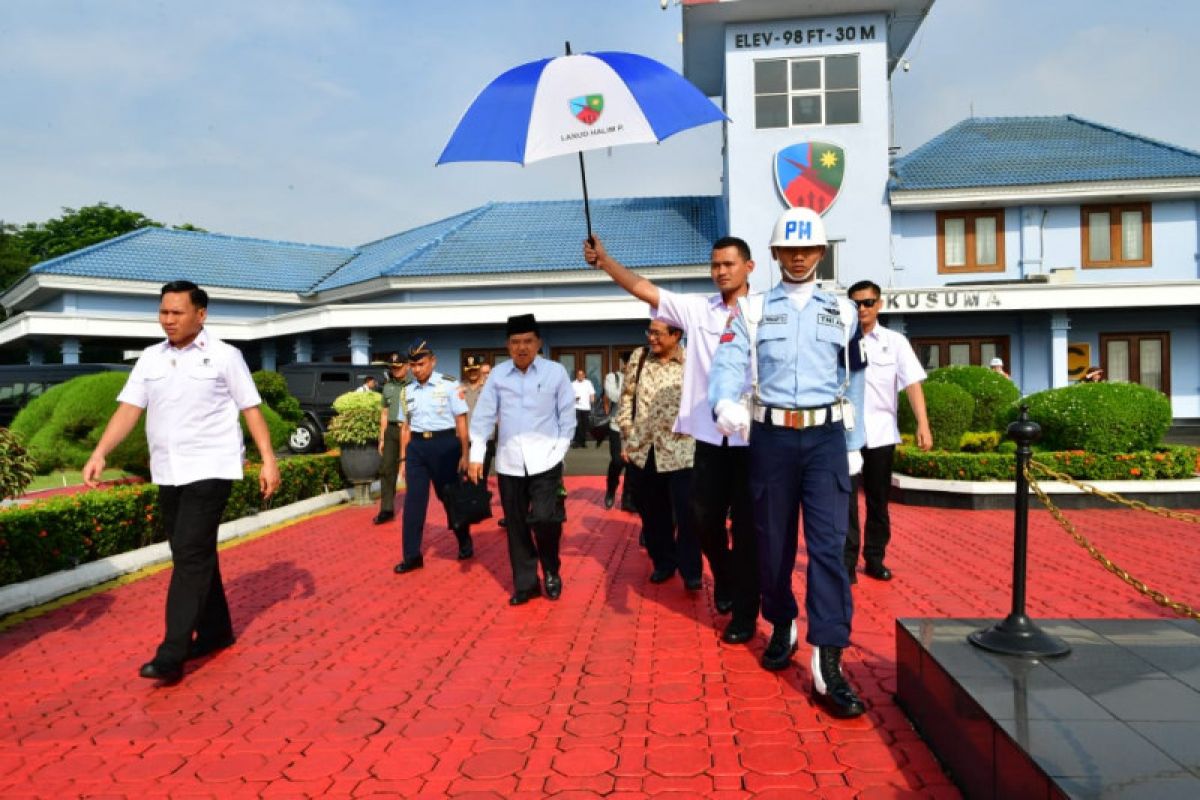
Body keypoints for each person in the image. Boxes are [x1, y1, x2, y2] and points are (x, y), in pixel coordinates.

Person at [708, 206, 868, 718]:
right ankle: (781, 621)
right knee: (772, 547)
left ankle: (829, 659)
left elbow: (855, 380)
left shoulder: (843, 312)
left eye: (808, 250)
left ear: (821, 253)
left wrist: (855, 441)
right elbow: (728, 364)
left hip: (825, 441)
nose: (798, 258)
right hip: (772, 439)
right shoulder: (750, 311)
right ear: (775, 254)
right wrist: (724, 403)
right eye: (788, 250)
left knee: (828, 548)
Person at [82, 280, 281, 684]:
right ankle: (216, 631)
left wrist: (268, 460)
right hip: (169, 471)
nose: (167, 320)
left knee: (190, 552)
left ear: (200, 315)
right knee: (193, 551)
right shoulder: (150, 360)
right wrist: (100, 451)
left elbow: (251, 409)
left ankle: (172, 653)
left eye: (176, 313)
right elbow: (128, 409)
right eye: (163, 312)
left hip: (211, 467)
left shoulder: (225, 356)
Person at [585, 234, 759, 646]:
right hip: (708, 440)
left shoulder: (765, 313)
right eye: (715, 265)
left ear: (749, 267)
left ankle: (744, 613)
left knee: (751, 531)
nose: (720, 271)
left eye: (729, 264)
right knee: (704, 522)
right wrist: (606, 261)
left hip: (755, 440)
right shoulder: (698, 310)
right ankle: (727, 574)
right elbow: (642, 288)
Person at [467, 314, 575, 605]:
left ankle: (551, 568)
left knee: (544, 517)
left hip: (546, 459)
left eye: (528, 341)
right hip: (509, 461)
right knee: (516, 525)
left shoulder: (555, 373)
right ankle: (526, 584)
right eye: (515, 342)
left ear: (538, 342)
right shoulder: (499, 376)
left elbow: (567, 418)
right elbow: (484, 416)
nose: (522, 347)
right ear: (507, 345)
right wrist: (476, 455)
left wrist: (558, 452)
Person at [843, 280, 933, 584]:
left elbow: (912, 384)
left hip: (881, 434)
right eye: (856, 303)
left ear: (879, 304)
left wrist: (923, 424)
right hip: (847, 436)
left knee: (877, 502)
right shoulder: (841, 341)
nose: (862, 309)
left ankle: (875, 558)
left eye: (868, 302)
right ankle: (847, 561)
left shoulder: (895, 342)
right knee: (846, 503)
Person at [618, 321, 700, 590]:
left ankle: (691, 570)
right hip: (644, 449)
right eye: (649, 332)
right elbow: (627, 398)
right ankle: (664, 562)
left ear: (677, 335)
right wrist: (627, 437)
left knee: (688, 513)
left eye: (658, 333)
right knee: (652, 512)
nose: (651, 338)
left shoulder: (693, 362)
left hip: (682, 450)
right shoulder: (638, 358)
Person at [393, 339, 474, 574]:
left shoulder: (449, 385)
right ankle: (412, 555)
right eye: (413, 365)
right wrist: (403, 460)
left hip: (445, 446)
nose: (417, 369)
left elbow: (461, 421)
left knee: (449, 498)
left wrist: (465, 454)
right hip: (417, 448)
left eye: (421, 363)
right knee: (413, 503)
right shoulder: (406, 391)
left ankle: (464, 539)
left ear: (432, 361)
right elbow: (405, 428)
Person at [374, 354, 410, 525]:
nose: (395, 370)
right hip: (391, 431)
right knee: (387, 469)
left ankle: (414, 509)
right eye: (392, 367)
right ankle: (386, 509)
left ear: (407, 366)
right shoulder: (388, 387)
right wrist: (381, 437)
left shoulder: (414, 385)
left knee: (411, 470)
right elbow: (384, 413)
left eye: (398, 366)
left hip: (410, 431)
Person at [602, 357, 634, 511]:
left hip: (636, 429)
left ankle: (627, 499)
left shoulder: (642, 376)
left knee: (632, 465)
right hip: (617, 426)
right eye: (629, 363)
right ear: (623, 364)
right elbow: (613, 396)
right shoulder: (612, 377)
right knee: (617, 461)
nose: (631, 366)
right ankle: (611, 489)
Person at [461, 354, 496, 479]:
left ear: (480, 369)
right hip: (465, 442)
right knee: (465, 481)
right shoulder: (459, 390)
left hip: (484, 441)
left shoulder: (490, 390)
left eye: (475, 369)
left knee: (480, 479)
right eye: (469, 370)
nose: (472, 373)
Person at [570, 369, 595, 448]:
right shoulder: (573, 384)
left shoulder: (588, 383)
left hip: (586, 407)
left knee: (584, 425)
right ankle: (577, 442)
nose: (580, 376)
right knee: (577, 425)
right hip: (576, 407)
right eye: (579, 375)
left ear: (584, 375)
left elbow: (592, 394)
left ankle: (583, 442)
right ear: (576, 376)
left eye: (582, 375)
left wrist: (592, 403)